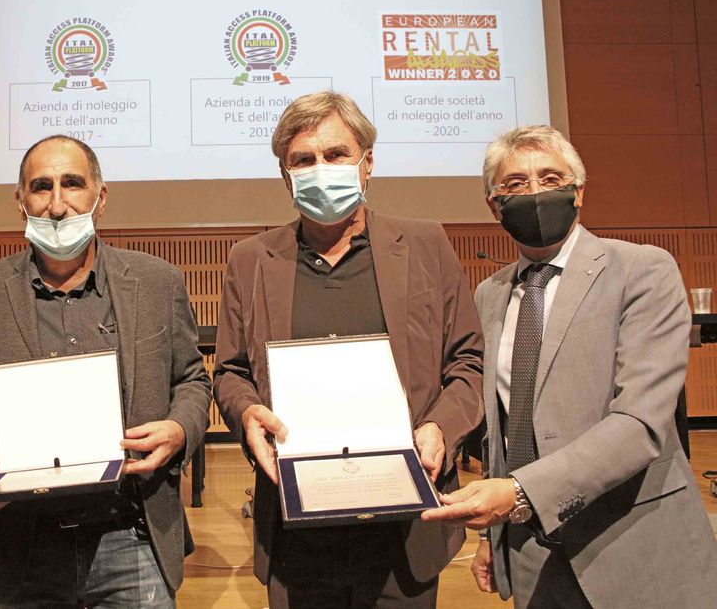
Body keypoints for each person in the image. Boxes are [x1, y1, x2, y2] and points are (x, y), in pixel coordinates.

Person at [422, 125, 717, 607]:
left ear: (578, 192)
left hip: (632, 542)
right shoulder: (489, 294)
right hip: (531, 553)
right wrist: (492, 537)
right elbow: (503, 426)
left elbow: (640, 423)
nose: (535, 193)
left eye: (550, 178)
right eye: (515, 184)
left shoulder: (642, 270)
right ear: (494, 206)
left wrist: (519, 493)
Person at [212, 91, 484, 608]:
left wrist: (440, 427)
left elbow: (468, 360)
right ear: (285, 176)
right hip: (297, 531)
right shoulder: (251, 260)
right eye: (303, 160)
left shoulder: (425, 244)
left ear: (367, 163)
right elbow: (230, 371)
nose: (321, 169)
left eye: (336, 154)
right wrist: (245, 412)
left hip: (406, 528)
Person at [0, 135, 212, 607]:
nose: (58, 205)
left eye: (73, 184)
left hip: (133, 534)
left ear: (100, 196)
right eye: (41, 187)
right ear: (20, 201)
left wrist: (180, 429)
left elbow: (191, 380)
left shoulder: (157, 282)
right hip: (25, 541)